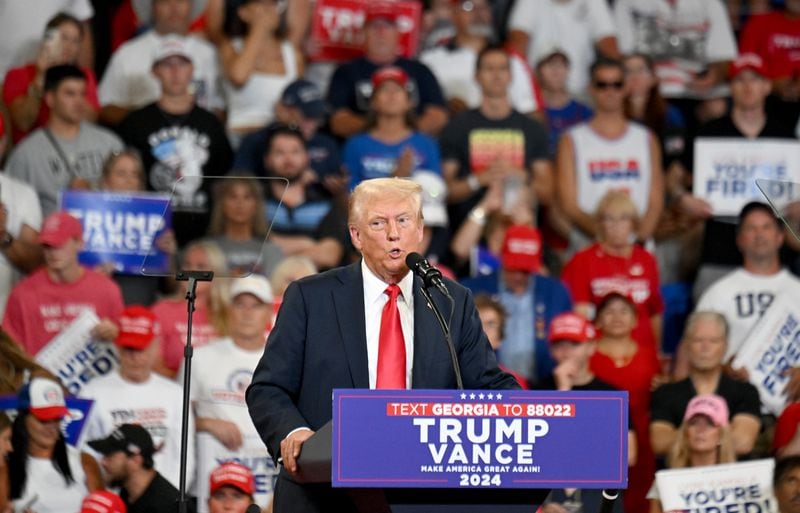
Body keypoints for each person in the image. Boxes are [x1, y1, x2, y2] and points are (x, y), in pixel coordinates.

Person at [246, 177, 519, 512]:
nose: (394, 233)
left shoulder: (451, 300)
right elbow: (267, 387)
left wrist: (536, 417)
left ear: (419, 230)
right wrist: (295, 433)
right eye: (378, 223)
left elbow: (488, 384)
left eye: (403, 221)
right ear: (356, 235)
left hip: (418, 493)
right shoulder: (310, 297)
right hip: (323, 493)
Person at [679, 55, 797, 299]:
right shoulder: (709, 134)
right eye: (740, 80)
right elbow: (673, 178)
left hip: (774, 259)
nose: (747, 86)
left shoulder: (786, 139)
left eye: (755, 79)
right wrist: (682, 198)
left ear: (767, 86)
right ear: (731, 88)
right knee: (707, 331)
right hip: (718, 254)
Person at [117, 35, 233, 247]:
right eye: (167, 64)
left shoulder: (210, 124)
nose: (175, 71)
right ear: (155, 71)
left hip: (202, 234)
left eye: (181, 63)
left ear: (192, 69)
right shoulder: (135, 123)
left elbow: (223, 178)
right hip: (149, 233)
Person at [182, 275, 276, 512]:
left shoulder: (283, 359)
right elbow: (176, 417)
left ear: (269, 312)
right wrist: (206, 423)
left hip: (268, 478)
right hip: (213, 484)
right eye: (240, 304)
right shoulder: (200, 357)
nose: (247, 312)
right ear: (228, 310)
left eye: (256, 305)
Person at [439, 44, 551, 236]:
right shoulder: (457, 128)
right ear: (477, 76)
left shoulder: (532, 129)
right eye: (489, 69)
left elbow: (547, 192)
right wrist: (477, 180)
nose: (496, 75)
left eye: (502, 69)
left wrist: (521, 176)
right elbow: (444, 191)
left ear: (511, 76)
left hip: (519, 233)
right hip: (468, 233)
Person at [79, 305, 194, 490]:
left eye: (141, 348)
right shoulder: (92, 392)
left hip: (161, 503)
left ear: (156, 346)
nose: (135, 357)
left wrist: (168, 500)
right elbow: (85, 454)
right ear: (117, 346)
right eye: (128, 349)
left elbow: (184, 456)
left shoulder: (175, 394)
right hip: (111, 501)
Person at [557, 57, 664, 250]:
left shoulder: (646, 138)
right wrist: (607, 237)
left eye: (616, 84)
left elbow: (655, 200)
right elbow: (569, 204)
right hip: (589, 241)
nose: (610, 91)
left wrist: (638, 238)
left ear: (625, 88)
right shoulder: (572, 139)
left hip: (637, 244)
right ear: (591, 88)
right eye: (602, 85)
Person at [537, 312, 629, 513]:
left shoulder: (610, 395)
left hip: (597, 496)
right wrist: (563, 390)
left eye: (574, 344)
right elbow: (532, 451)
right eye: (559, 345)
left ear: (591, 347)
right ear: (551, 351)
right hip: (549, 496)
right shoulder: (537, 390)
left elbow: (628, 454)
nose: (566, 352)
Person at [5, 64, 123, 216]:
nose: (79, 101)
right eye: (70, 94)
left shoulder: (110, 142)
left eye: (83, 94)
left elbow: (132, 193)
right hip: (49, 236)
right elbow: (11, 207)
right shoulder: (26, 153)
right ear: (50, 99)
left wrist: (94, 188)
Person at [461, 224, 573, 385]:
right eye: (513, 268)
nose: (519, 276)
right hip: (488, 385)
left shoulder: (556, 292)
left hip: (545, 385)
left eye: (526, 270)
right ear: (501, 256)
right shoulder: (471, 290)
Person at [2, 211, 124, 357]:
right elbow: (9, 350)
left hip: (94, 377)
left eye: (59, 244)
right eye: (47, 246)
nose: (53, 252)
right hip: (40, 377)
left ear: (79, 243)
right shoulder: (22, 294)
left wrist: (114, 334)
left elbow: (126, 345)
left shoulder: (106, 290)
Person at [693, 202, 800, 367]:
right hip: (732, 389)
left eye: (766, 227)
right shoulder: (718, 293)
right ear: (739, 240)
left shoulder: (797, 290)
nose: (759, 234)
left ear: (780, 237)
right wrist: (724, 370)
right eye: (751, 228)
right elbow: (694, 348)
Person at [562, 190, 665, 354]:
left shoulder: (646, 259)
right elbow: (579, 314)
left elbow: (654, 312)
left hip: (642, 350)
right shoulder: (583, 260)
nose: (617, 226)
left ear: (634, 223)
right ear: (600, 224)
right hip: (599, 351)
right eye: (609, 219)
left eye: (624, 218)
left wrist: (657, 350)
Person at [327, 2, 449, 138]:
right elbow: (338, 121)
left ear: (399, 33)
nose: (381, 32)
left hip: (413, 147)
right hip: (365, 149)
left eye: (388, 25)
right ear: (363, 33)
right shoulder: (345, 72)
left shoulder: (420, 70)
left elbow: (438, 115)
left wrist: (403, 136)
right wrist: (382, 134)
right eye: (374, 26)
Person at [650, 311, 761, 457]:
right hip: (681, 477)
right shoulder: (665, 393)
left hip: (733, 478)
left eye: (714, 341)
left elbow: (743, 442)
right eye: (698, 340)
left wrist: (687, 435)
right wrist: (720, 433)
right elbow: (659, 442)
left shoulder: (745, 391)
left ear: (725, 346)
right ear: (687, 345)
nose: (705, 348)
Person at [99, 0, 224, 125]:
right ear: (152, 7)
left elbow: (223, 108)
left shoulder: (211, 54)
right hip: (142, 140)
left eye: (181, 1)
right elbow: (104, 108)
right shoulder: (127, 54)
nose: (174, 8)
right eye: (165, 2)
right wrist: (146, 118)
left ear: (191, 6)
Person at [590, 292, 659, 513]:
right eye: (609, 311)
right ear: (598, 319)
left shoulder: (650, 356)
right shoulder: (587, 354)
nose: (617, 317)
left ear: (636, 319)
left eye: (624, 311)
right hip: (599, 437)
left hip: (641, 436)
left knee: (640, 496)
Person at [419, 0, 542, 116]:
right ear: (453, 13)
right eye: (469, 6)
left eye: (484, 7)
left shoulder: (511, 60)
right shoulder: (430, 61)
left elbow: (529, 109)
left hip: (502, 134)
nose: (478, 12)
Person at [1, 377, 104, 513]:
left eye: (57, 418)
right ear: (23, 420)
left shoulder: (85, 463)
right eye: (43, 420)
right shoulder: (6, 475)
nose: (52, 427)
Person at [3, 12, 100, 143]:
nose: (69, 46)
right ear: (48, 38)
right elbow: (23, 123)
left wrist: (66, 78)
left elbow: (91, 121)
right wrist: (41, 75)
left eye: (75, 41)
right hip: (32, 149)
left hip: (74, 145)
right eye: (64, 38)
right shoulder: (17, 75)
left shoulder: (83, 76)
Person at [262, 124, 349, 271]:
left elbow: (329, 255)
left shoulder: (325, 201)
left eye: (295, 152)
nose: (288, 159)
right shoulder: (256, 201)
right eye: (279, 153)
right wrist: (306, 243)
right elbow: (253, 249)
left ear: (307, 157)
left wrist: (278, 260)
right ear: (267, 159)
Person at [232, 79, 342, 194]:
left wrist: (338, 188)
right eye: (306, 116)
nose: (312, 124)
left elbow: (339, 179)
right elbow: (239, 184)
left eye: (317, 117)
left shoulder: (326, 143)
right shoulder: (257, 142)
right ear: (284, 111)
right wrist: (291, 179)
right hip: (270, 207)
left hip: (320, 207)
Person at [342, 67, 442, 189]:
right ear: (373, 102)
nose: (392, 95)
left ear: (409, 102)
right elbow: (350, 196)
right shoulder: (356, 144)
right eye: (384, 89)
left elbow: (436, 190)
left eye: (398, 89)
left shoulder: (426, 143)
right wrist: (396, 179)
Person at [219, 0, 302, 141]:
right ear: (243, 13)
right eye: (262, 4)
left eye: (273, 4)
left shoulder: (293, 54)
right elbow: (239, 77)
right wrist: (260, 30)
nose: (269, 9)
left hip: (280, 139)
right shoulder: (231, 46)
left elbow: (298, 101)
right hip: (240, 135)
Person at [507, 0, 619, 97]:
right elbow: (517, 43)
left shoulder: (594, 2)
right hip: (539, 92)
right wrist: (525, 86)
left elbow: (609, 44)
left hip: (580, 90)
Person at [648, 394, 737, 513]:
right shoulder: (665, 482)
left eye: (710, 423)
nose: (701, 429)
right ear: (685, 432)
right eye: (694, 422)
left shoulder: (740, 482)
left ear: (721, 435)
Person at [152, 240, 226, 376]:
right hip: (174, 390)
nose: (192, 271)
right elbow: (154, 365)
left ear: (216, 273)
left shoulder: (229, 313)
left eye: (201, 266)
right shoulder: (162, 310)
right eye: (187, 265)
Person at [89, 424, 190, 513]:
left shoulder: (168, 507)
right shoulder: (126, 495)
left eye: (109, 455)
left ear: (135, 461)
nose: (103, 462)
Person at [0, 116, 44, 317]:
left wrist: (3, 235)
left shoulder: (21, 193)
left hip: (5, 323)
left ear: (2, 145)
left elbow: (35, 264)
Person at [204, 177, 283, 277]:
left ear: (256, 205)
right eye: (232, 197)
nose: (240, 203)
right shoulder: (205, 248)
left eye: (247, 197)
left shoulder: (271, 250)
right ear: (221, 204)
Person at [536, 47, 593, 155]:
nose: (555, 71)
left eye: (560, 65)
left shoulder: (584, 112)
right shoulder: (531, 112)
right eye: (549, 65)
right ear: (539, 71)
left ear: (568, 70)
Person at [474, 293, 528, 388]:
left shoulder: (514, 382)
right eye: (477, 322)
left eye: (491, 324)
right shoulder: (446, 376)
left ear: (500, 338)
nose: (483, 330)